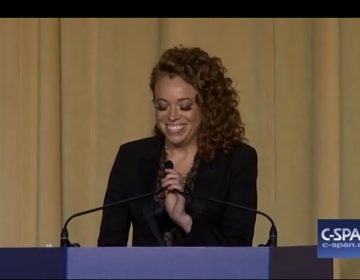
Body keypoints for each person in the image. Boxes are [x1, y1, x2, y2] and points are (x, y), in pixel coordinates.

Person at [98, 46, 258, 247]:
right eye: (162, 106)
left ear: (207, 106)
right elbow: (109, 247)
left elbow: (239, 250)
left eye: (184, 106)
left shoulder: (237, 160)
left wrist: (185, 220)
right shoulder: (131, 158)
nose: (172, 116)